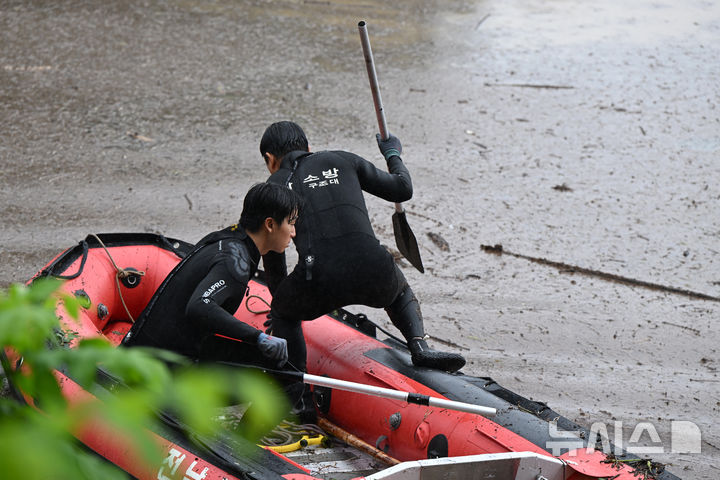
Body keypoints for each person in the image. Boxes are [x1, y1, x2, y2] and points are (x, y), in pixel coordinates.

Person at [259, 121, 466, 377]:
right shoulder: (344, 160)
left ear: (270, 159)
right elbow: (402, 188)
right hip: (374, 271)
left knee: (283, 311)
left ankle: (296, 392)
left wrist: (282, 305)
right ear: (309, 147)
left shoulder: (273, 188)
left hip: (317, 280)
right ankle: (419, 346)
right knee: (400, 292)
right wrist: (392, 153)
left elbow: (273, 257)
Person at [123, 182, 302, 369]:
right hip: (162, 363)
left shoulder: (227, 238)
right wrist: (258, 336)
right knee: (279, 374)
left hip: (165, 348)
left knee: (272, 363)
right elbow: (200, 304)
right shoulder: (234, 262)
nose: (293, 232)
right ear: (270, 224)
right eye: (291, 223)